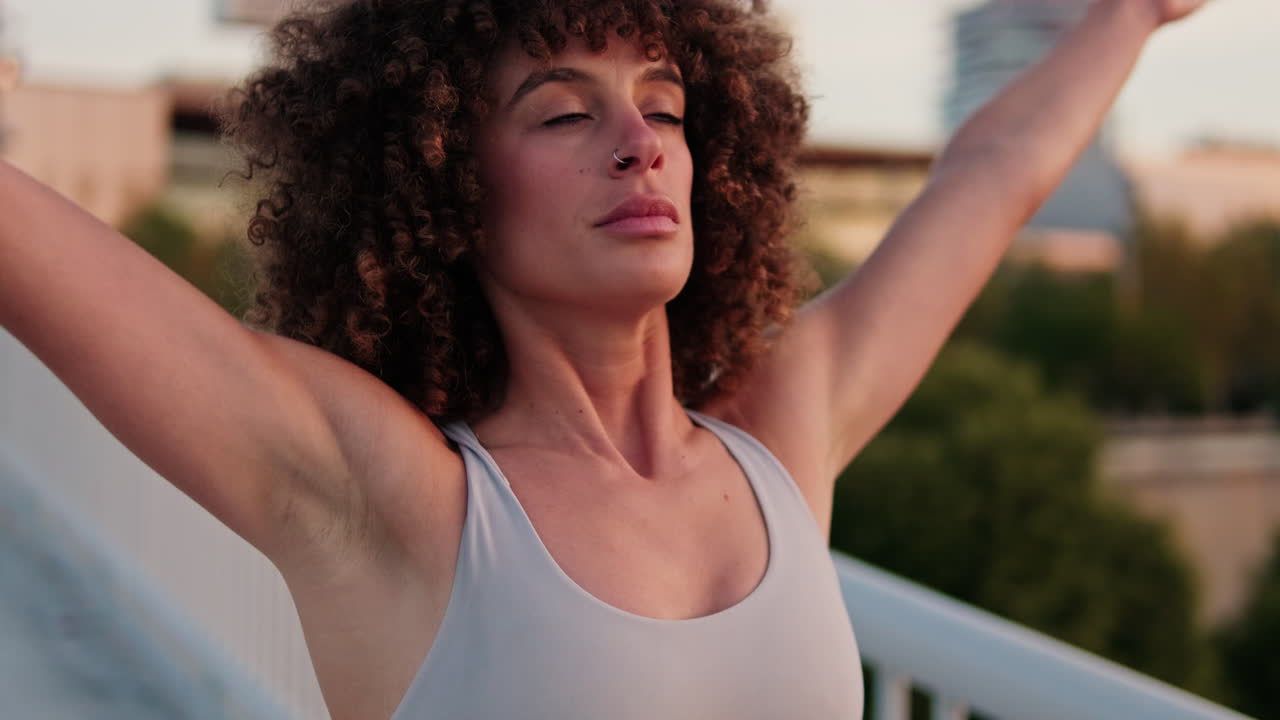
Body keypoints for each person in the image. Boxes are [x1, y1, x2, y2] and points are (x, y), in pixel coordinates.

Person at [0, 0, 1208, 718]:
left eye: (665, 106)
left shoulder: (779, 439)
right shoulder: (402, 501)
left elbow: (988, 175)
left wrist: (1127, 15)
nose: (637, 144)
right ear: (441, 185)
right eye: (563, 112)